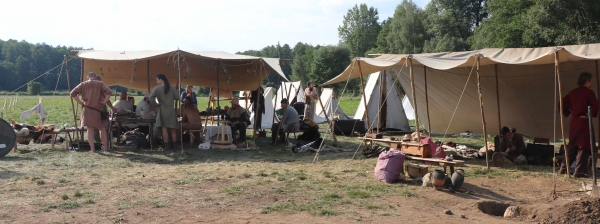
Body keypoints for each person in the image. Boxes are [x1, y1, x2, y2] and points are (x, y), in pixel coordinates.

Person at [559, 72, 599, 177]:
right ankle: (580, 172)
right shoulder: (589, 93)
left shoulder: (573, 92)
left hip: (574, 122)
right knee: (583, 146)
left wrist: (569, 113)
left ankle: (564, 168)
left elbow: (561, 104)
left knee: (572, 145)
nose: (591, 83)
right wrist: (590, 113)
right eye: (590, 82)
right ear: (587, 82)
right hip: (583, 122)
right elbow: (595, 105)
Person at [70, 72, 112, 153]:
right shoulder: (101, 83)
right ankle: (106, 148)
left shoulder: (83, 84)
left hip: (87, 110)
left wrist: (80, 102)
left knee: (90, 129)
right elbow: (109, 92)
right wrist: (104, 101)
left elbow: (72, 93)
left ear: (87, 78)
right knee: (102, 128)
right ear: (95, 77)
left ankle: (92, 149)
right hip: (99, 109)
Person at [149, 74, 179, 150]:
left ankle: (166, 146)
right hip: (171, 111)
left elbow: (151, 98)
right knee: (173, 129)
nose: (156, 81)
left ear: (161, 79)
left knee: (164, 128)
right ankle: (175, 146)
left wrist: (157, 105)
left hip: (162, 110)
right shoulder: (172, 87)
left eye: (157, 80)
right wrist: (177, 91)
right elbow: (178, 97)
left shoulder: (157, 88)